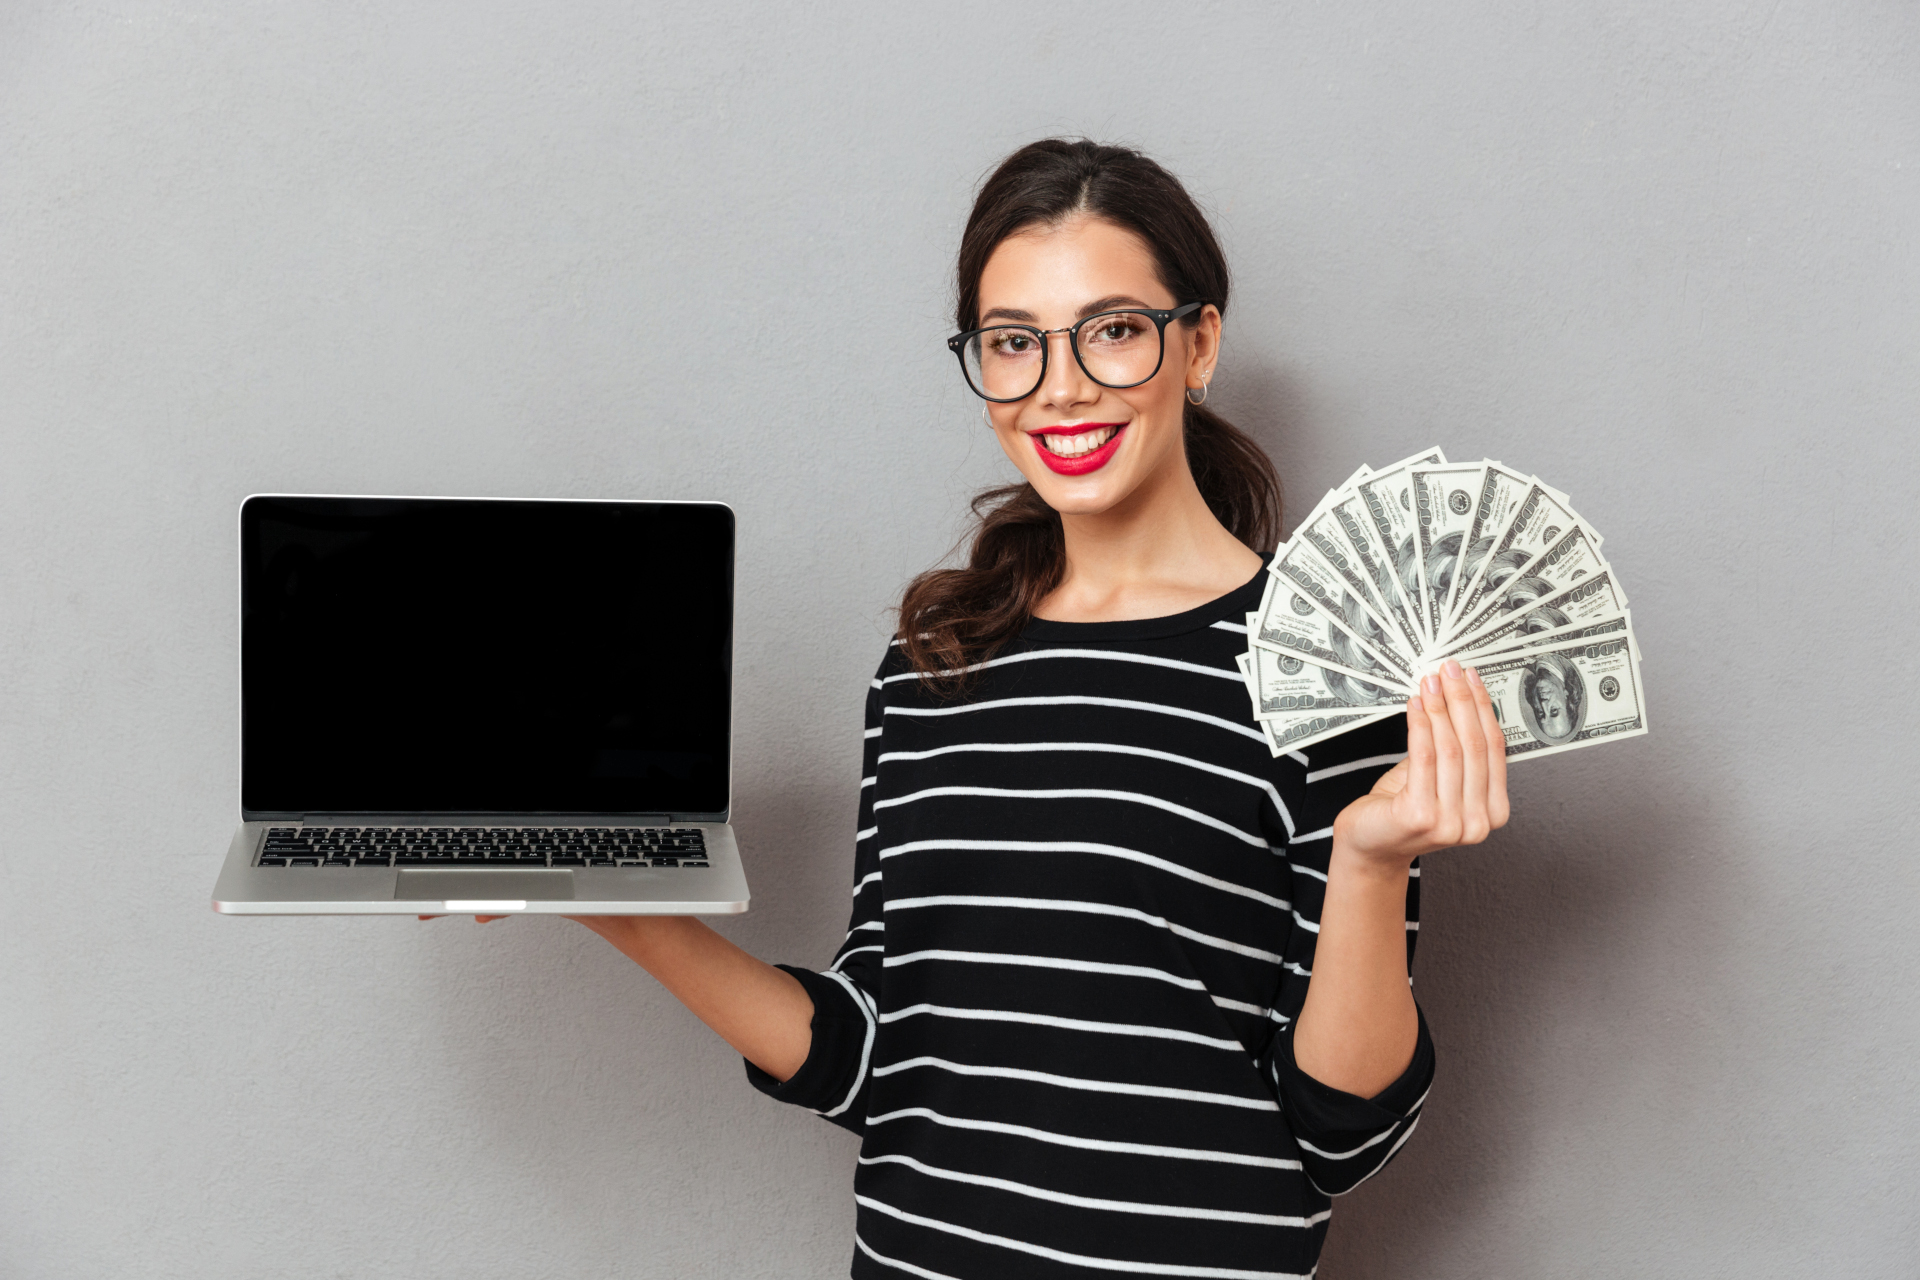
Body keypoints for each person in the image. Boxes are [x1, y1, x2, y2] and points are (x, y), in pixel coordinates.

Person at [452, 139, 1511, 1278]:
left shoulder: (1325, 668)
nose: (1059, 386)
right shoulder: (931, 666)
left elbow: (1339, 1134)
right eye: (1013, 342)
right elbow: (874, 1053)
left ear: (1198, 342)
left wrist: (1366, 860)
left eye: (1111, 329)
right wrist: (613, 907)